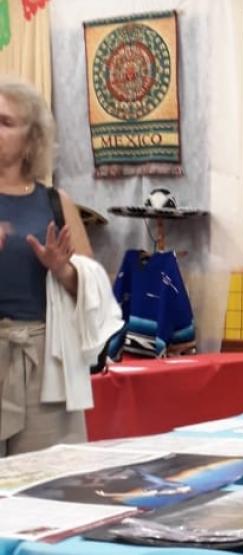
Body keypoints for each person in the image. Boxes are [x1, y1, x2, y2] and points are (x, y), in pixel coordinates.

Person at [0, 78, 93, 455]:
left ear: (32, 138)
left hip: (46, 362)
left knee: (46, 483)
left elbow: (92, 287)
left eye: (6, 122)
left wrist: (64, 270)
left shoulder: (56, 201)